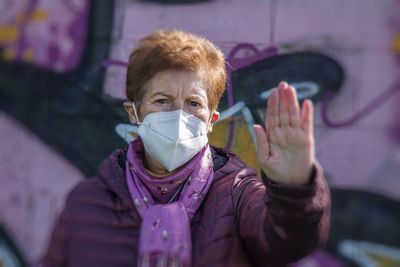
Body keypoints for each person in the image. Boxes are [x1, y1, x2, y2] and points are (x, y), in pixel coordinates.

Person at [41, 29, 330, 267]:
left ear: (211, 120)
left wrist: (294, 188)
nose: (179, 116)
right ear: (134, 113)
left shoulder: (237, 195)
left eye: (193, 104)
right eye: (162, 101)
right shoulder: (86, 202)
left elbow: (289, 243)